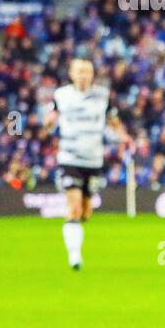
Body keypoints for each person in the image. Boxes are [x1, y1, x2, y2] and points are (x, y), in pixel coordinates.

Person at [42, 59, 129, 269]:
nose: (83, 75)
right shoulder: (61, 95)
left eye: (87, 72)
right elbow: (51, 117)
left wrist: (124, 137)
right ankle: (74, 257)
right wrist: (48, 123)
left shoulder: (102, 96)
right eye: (79, 71)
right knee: (73, 207)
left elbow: (113, 119)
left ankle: (75, 239)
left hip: (94, 159)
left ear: (92, 75)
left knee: (85, 212)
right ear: (72, 74)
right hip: (70, 158)